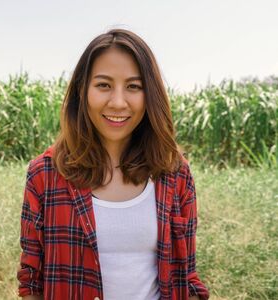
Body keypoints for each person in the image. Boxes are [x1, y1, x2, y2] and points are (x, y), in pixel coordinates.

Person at [17, 28, 209, 300]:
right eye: (104, 85)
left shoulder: (174, 174)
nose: (118, 102)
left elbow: (187, 276)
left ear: (149, 94)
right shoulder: (45, 175)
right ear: (83, 91)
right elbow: (31, 283)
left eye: (133, 86)